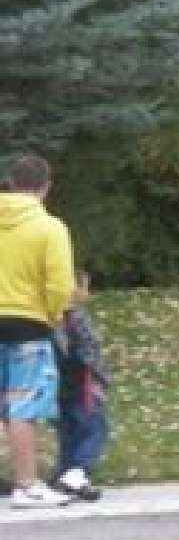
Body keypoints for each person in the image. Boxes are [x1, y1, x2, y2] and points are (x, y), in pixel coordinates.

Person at [0, 155, 75, 508]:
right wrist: (55, 313)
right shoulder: (49, 227)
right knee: (23, 406)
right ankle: (25, 484)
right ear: (46, 186)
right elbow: (60, 283)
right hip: (28, 321)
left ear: (11, 183)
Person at [53, 271, 109, 502]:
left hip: (61, 382)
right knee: (94, 427)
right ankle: (78, 470)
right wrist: (100, 378)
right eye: (84, 288)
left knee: (68, 429)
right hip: (82, 380)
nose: (87, 294)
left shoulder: (52, 317)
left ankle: (65, 471)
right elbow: (88, 349)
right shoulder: (75, 317)